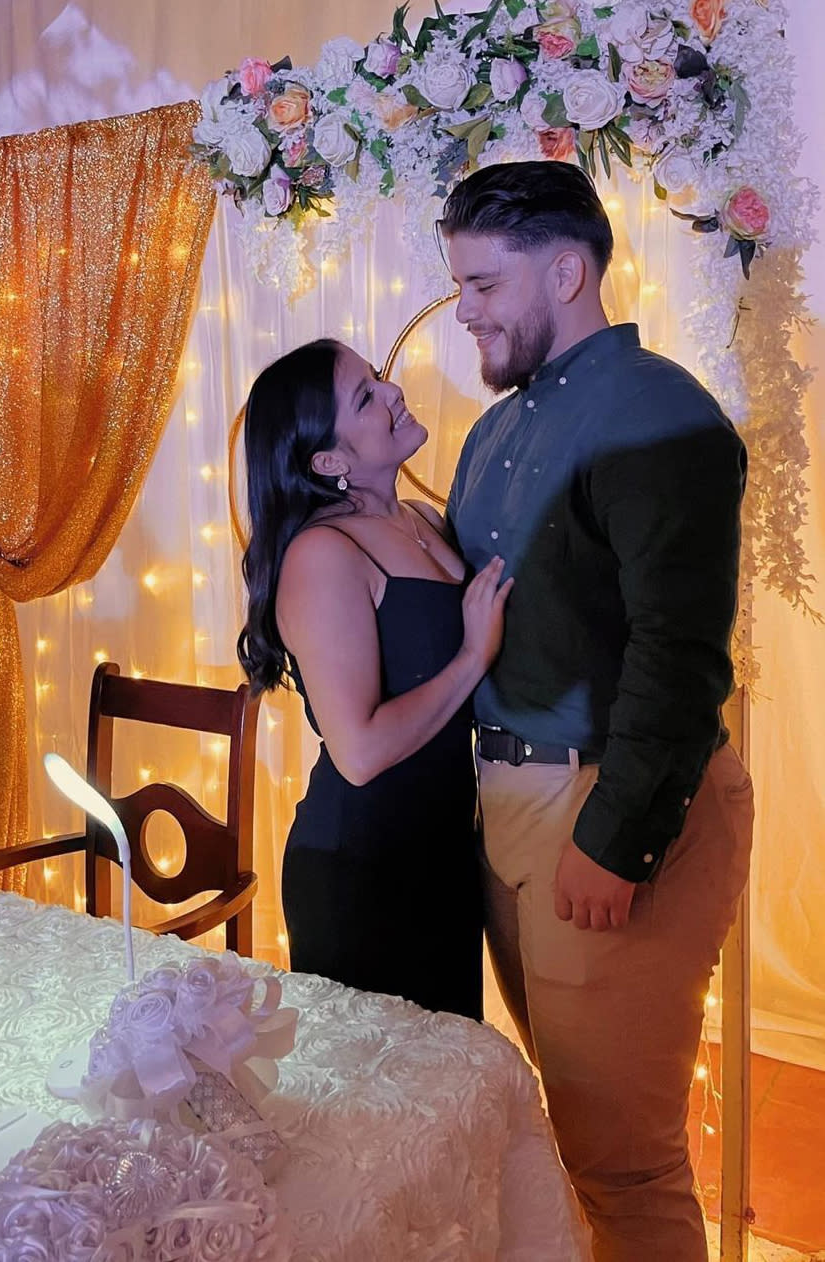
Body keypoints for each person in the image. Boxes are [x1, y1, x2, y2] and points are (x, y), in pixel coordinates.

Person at [441, 161, 754, 1261]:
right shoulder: (491, 432)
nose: (464, 311)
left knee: (624, 1160)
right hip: (511, 810)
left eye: (482, 286)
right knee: (569, 1142)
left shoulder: (660, 414)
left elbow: (678, 658)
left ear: (565, 271)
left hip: (601, 808)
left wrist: (614, 841)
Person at [237, 338, 512, 1021]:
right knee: (380, 1108)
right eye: (366, 396)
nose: (393, 393)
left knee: (447, 1097)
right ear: (328, 461)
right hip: (362, 869)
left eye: (378, 378)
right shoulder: (323, 553)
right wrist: (472, 659)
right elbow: (357, 752)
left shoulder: (420, 519)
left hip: (442, 852)